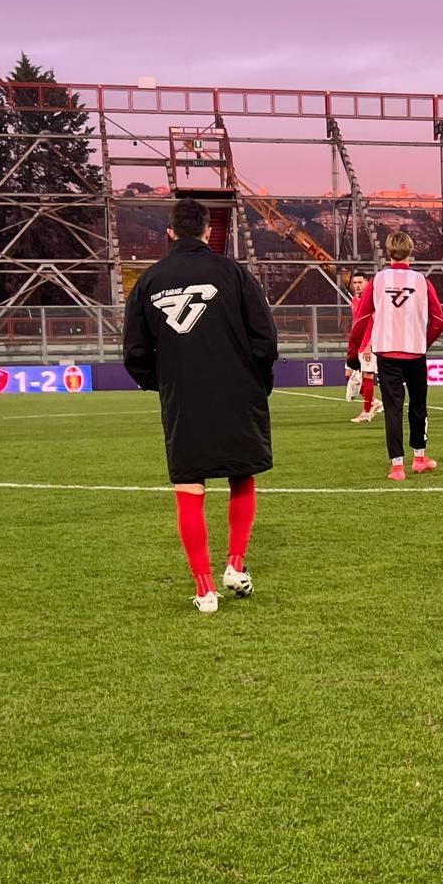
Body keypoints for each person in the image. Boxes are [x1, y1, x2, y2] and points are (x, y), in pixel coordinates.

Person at [124, 198, 279, 613]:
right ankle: (236, 565)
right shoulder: (234, 273)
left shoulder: (148, 281)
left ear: (170, 233)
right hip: (238, 391)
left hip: (184, 399)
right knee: (241, 475)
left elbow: (135, 354)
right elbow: (265, 339)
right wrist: (258, 382)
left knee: (190, 487)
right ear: (208, 233)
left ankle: (205, 588)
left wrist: (167, 384)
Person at [347, 230, 443, 480]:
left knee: (393, 409)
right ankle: (420, 458)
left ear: (388, 251)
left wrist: (352, 352)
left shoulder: (378, 280)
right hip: (415, 353)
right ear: (410, 251)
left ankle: (397, 466)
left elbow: (361, 320)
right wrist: (424, 342)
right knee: (418, 405)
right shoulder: (422, 281)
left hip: (387, 354)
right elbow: (438, 321)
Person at [344, 272, 385, 423]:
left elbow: (377, 324)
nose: (357, 286)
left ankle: (366, 412)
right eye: (354, 283)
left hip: (369, 344)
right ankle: (373, 402)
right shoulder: (355, 300)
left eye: (360, 282)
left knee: (368, 375)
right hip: (358, 345)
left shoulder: (373, 300)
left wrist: (369, 345)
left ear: (368, 283)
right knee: (349, 375)